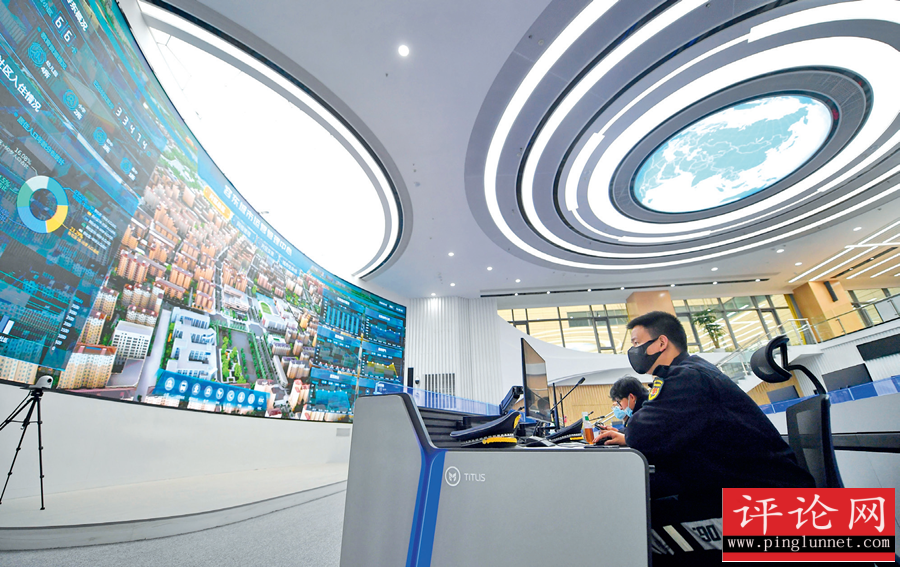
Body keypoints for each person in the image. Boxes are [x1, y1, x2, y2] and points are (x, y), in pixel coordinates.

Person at [594, 311, 814, 559]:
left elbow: (641, 434)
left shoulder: (687, 377)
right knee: (642, 515)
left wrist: (630, 435)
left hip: (769, 510)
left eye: (636, 343)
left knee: (633, 532)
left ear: (661, 342)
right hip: (750, 494)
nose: (634, 351)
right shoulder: (689, 372)